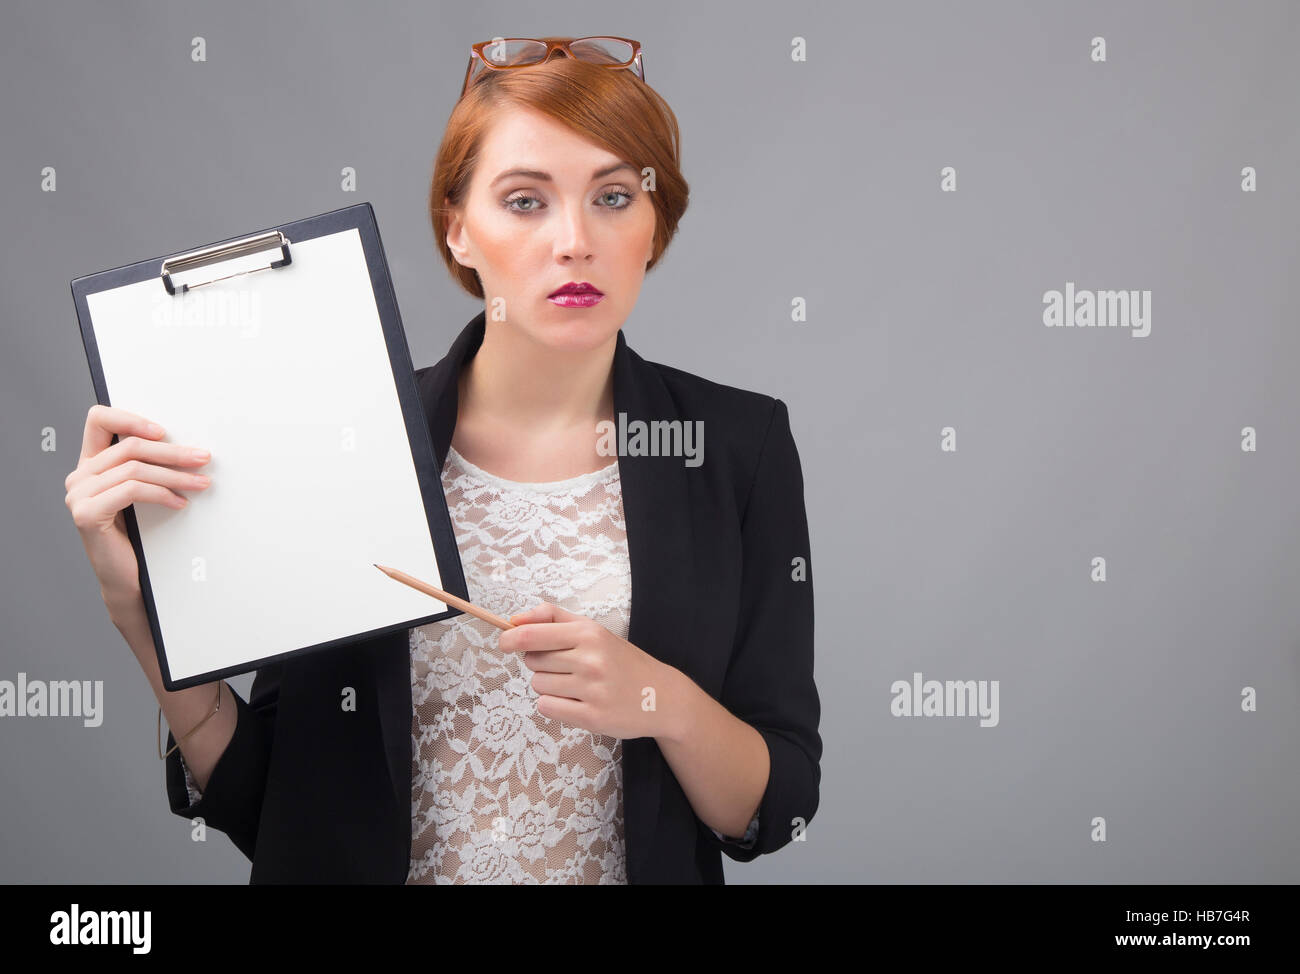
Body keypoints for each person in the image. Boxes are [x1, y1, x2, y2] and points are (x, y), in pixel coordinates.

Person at [63, 35, 821, 884]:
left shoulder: (736, 448)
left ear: (656, 224)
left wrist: (661, 700)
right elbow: (269, 806)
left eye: (614, 195)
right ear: (457, 228)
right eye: (525, 201)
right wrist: (142, 615)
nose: (574, 240)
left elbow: (778, 805)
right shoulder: (346, 438)